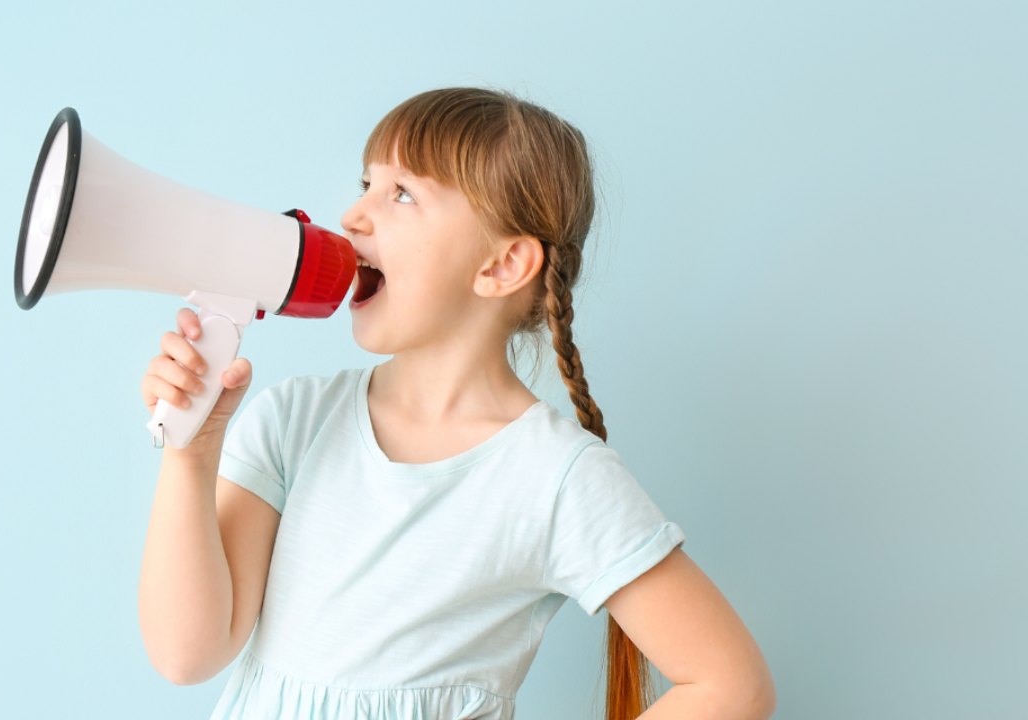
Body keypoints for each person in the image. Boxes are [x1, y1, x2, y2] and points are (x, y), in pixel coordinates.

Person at [137, 87, 776, 720]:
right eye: (365, 183)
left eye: (402, 194)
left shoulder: (555, 477)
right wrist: (191, 456)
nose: (353, 216)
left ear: (501, 266)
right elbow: (186, 654)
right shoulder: (293, 421)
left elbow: (731, 687)